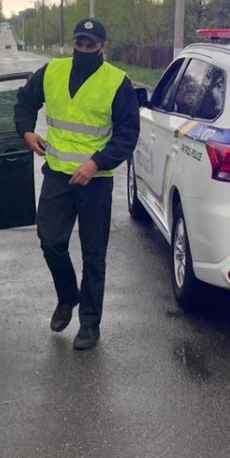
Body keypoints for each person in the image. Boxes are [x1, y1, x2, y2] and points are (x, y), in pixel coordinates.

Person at [13, 17, 140, 350]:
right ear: (74, 43)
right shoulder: (52, 71)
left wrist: (96, 163)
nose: (84, 49)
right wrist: (27, 131)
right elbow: (25, 101)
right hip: (57, 175)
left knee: (94, 255)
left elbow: (128, 135)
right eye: (79, 44)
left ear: (103, 46)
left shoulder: (117, 82)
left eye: (91, 45)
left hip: (95, 182)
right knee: (50, 241)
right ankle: (68, 295)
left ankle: (89, 324)